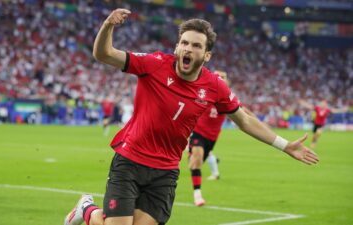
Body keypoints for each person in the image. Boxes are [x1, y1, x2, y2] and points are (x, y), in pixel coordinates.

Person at [64, 8, 319, 225]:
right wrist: (108, 25)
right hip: (130, 161)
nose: (188, 48)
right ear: (177, 46)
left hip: (165, 171)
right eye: (184, 42)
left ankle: (87, 210)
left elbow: (244, 119)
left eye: (196, 46)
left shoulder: (215, 86)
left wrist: (285, 146)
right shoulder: (153, 64)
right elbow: (103, 54)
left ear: (206, 55)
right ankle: (86, 208)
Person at [188, 70, 256, 206]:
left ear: (227, 81)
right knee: (197, 159)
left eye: (223, 76)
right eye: (217, 76)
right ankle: (198, 195)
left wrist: (254, 119)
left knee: (194, 164)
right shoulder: (203, 92)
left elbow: (242, 111)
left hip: (212, 139)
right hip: (198, 133)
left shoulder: (228, 97)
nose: (220, 78)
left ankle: (192, 157)